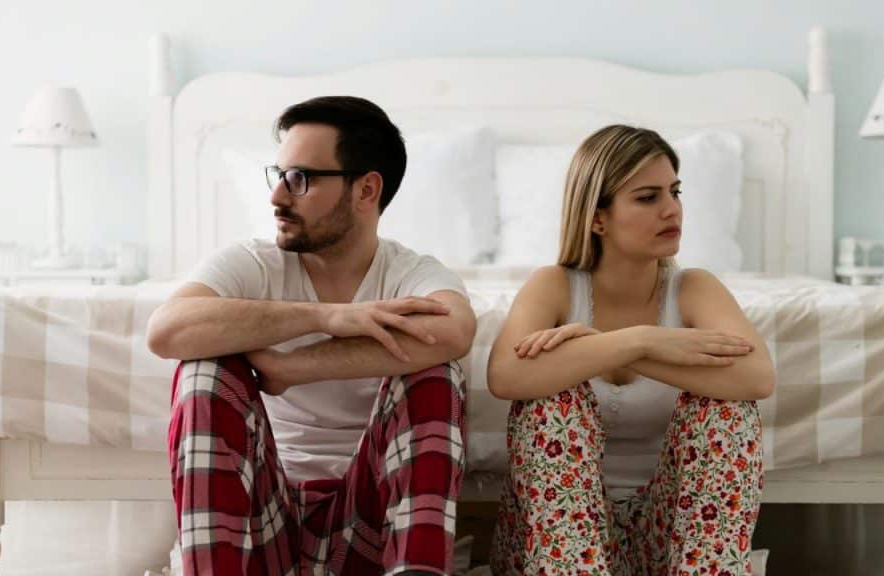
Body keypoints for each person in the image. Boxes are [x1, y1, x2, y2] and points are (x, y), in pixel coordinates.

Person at [147, 96, 476, 576]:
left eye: (300, 179)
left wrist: (293, 367)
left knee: (437, 371)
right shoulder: (253, 262)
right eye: (277, 175)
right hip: (259, 524)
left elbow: (455, 332)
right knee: (203, 370)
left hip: (368, 524)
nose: (277, 196)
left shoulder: (412, 273)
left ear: (366, 191)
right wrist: (324, 317)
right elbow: (166, 330)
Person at [487, 125, 775, 575]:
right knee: (550, 401)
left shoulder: (694, 288)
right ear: (597, 217)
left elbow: (757, 379)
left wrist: (609, 347)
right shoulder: (555, 285)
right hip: (558, 544)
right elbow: (505, 376)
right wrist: (641, 339)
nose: (671, 209)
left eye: (675, 192)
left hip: (671, 538)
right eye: (647, 197)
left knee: (726, 410)